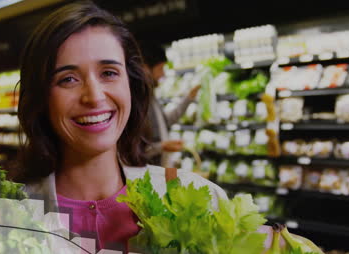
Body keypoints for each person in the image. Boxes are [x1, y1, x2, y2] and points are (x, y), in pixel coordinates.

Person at [13, 1, 227, 252]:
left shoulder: (201, 202)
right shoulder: (2, 217)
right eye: (68, 79)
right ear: (41, 98)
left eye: (109, 73)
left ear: (131, 85)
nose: (94, 96)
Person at [140, 42, 201, 166]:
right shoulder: (137, 102)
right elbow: (132, 151)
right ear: (145, 68)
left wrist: (188, 98)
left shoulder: (151, 96)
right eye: (160, 69)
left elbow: (165, 121)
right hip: (147, 176)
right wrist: (161, 147)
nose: (163, 74)